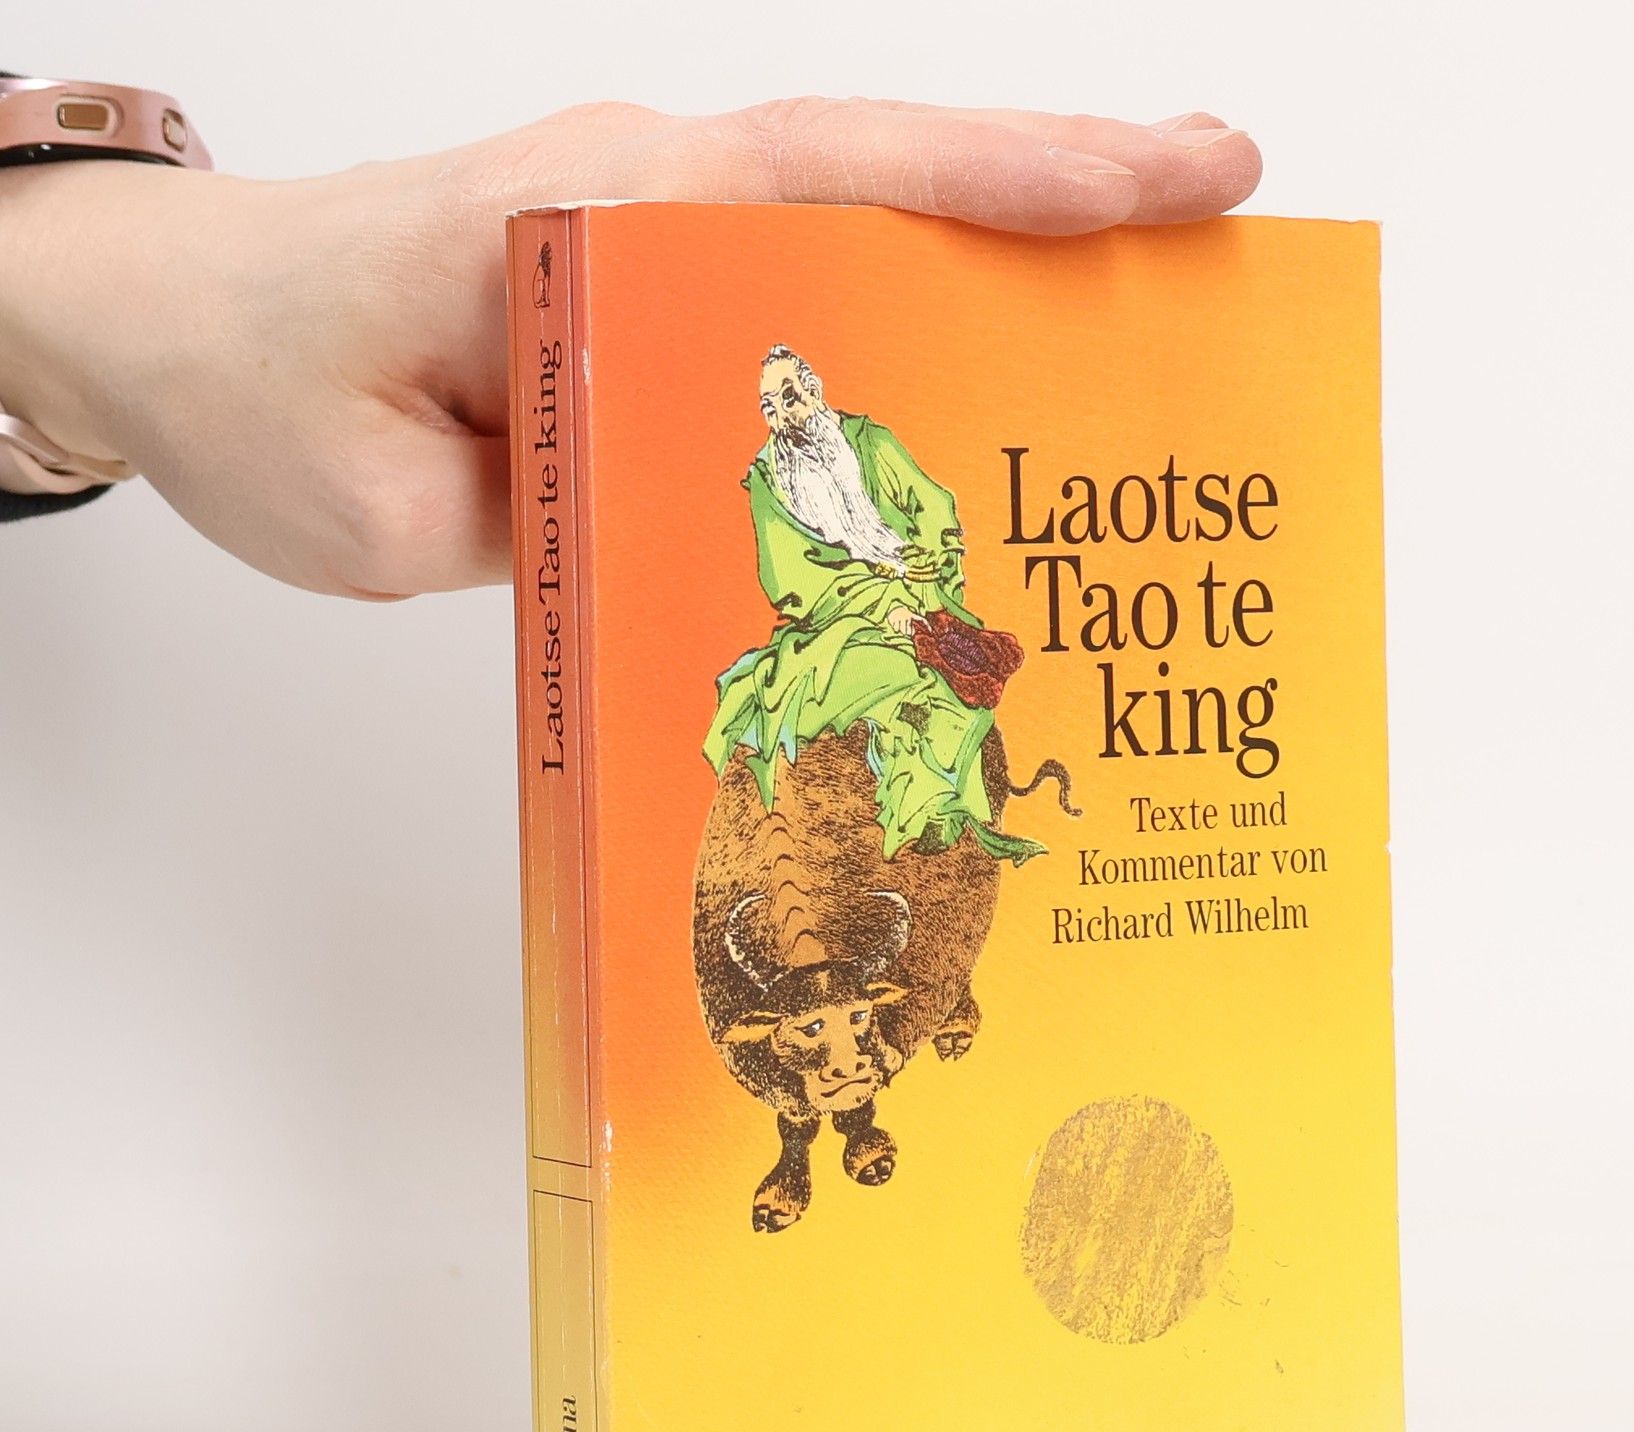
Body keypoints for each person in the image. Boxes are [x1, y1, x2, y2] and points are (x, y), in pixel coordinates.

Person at [0, 98, 1259, 593]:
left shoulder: (874, 445)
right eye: (776, 389)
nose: (787, 405)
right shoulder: (759, 472)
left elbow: (928, 520)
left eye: (795, 387)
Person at [706, 344, 1043, 863]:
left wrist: (929, 566)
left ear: (814, 389)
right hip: (838, 620)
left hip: (919, 594)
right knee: (902, 677)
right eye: (769, 408)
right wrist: (883, 604)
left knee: (968, 677)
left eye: (789, 397)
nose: (783, 416)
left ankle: (944, 804)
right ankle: (920, 806)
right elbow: (790, 579)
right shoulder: (769, 481)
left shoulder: (870, 442)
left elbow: (933, 506)